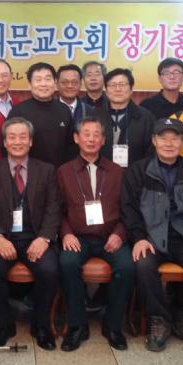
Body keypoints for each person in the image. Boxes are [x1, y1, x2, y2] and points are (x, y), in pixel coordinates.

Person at [122, 118, 183, 352]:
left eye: (175, 138)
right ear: (154, 141)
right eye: (163, 138)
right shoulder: (138, 170)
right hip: (151, 237)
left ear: (182, 142)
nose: (169, 143)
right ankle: (159, 320)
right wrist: (139, 238)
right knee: (143, 265)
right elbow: (129, 208)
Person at [0, 117, 61, 350]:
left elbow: (54, 208)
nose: (17, 142)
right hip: (2, 237)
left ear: (31, 141)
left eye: (23, 137)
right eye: (12, 137)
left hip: (35, 236)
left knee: (49, 269)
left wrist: (44, 238)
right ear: (4, 142)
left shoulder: (46, 170)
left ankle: (41, 325)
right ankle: (2, 325)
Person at [57, 116, 134, 352]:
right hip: (78, 237)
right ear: (76, 138)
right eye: (86, 134)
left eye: (96, 134)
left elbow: (128, 209)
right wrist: (66, 234)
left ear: (103, 140)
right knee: (67, 263)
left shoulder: (117, 171)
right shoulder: (64, 171)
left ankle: (113, 326)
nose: (91, 139)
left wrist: (119, 234)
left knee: (127, 267)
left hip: (110, 236)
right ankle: (77, 325)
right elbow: (57, 210)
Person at [8, 62, 76, 167]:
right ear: (29, 84)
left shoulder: (64, 110)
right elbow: (8, 145)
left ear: (55, 83)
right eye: (38, 80)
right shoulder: (18, 112)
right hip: (29, 172)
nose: (43, 84)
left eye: (48, 79)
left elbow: (71, 146)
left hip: (59, 172)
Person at [100, 68, 155, 168]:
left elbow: (151, 152)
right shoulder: (96, 116)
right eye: (112, 85)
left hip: (136, 174)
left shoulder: (146, 117)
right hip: (101, 173)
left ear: (131, 89)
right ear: (106, 91)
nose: (117, 89)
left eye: (122, 84)